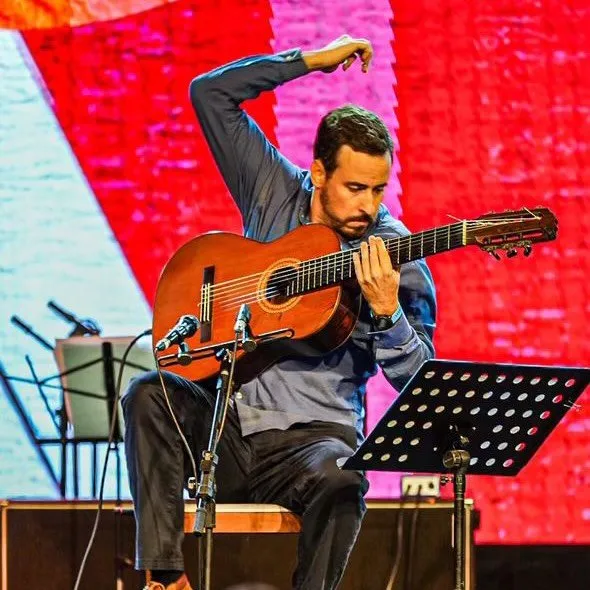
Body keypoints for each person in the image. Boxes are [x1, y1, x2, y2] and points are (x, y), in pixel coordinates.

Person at [123, 35, 436, 590]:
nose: (369, 205)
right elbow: (209, 94)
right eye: (355, 188)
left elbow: (422, 384)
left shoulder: (396, 254)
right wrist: (309, 61)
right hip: (228, 431)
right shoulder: (273, 189)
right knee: (149, 394)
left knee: (345, 480)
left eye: (378, 190)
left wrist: (389, 315)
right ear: (318, 173)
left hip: (313, 444)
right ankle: (166, 579)